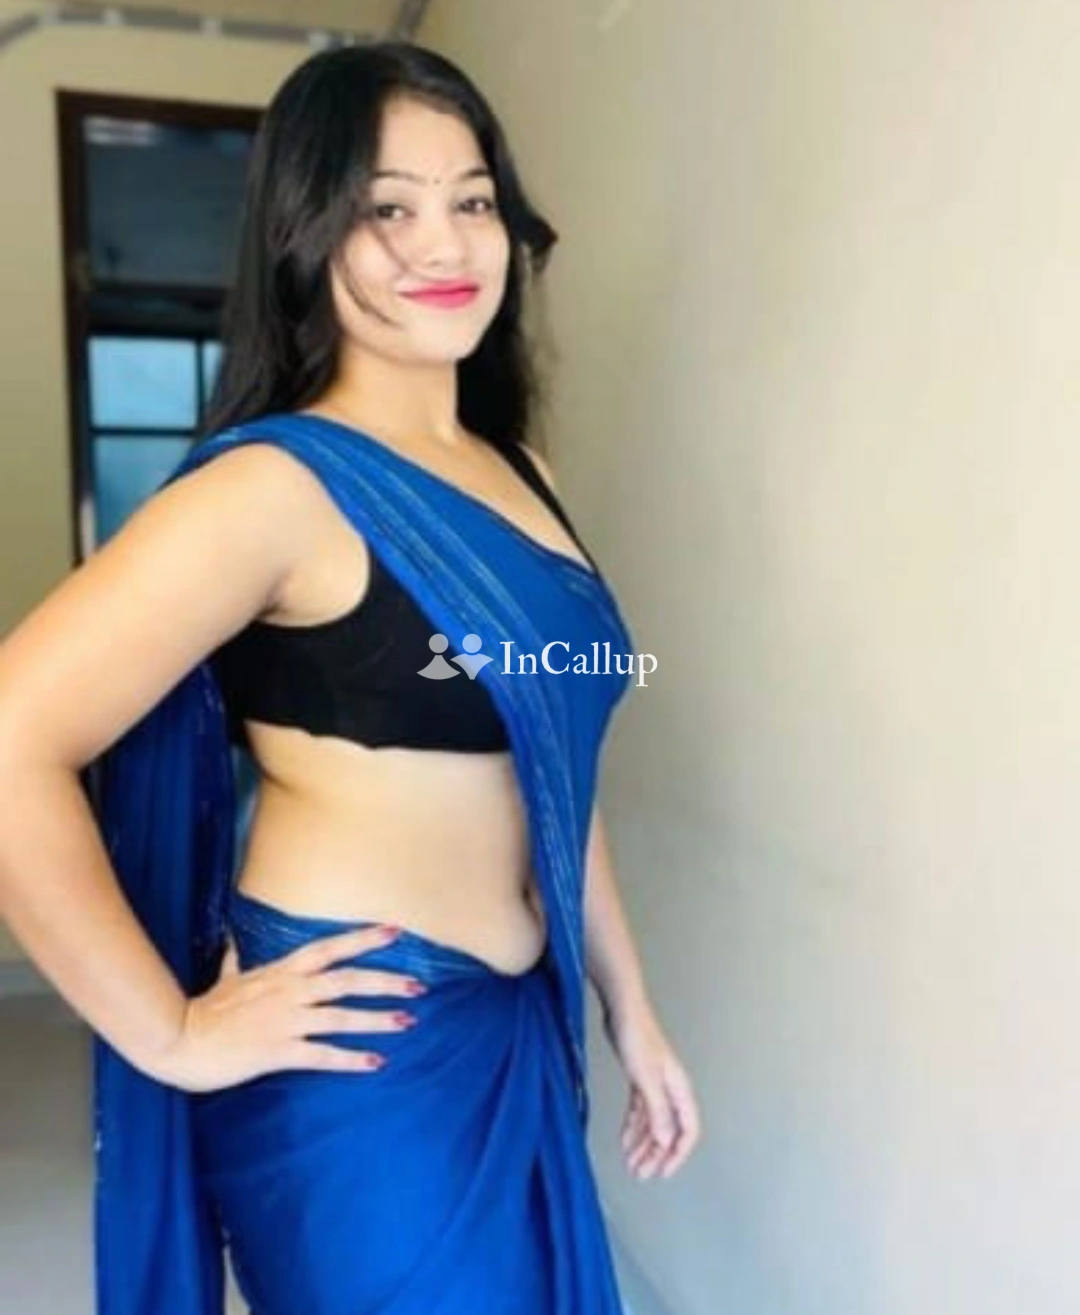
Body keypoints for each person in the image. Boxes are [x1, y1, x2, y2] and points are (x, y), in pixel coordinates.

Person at [0, 40, 701, 1315]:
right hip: (358, 1060)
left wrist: (631, 1006)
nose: (446, 243)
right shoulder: (276, 489)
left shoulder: (523, 472)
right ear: (308, 229)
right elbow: (12, 736)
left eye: (473, 200)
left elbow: (556, 767)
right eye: (389, 208)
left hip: (512, 1029)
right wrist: (171, 1031)